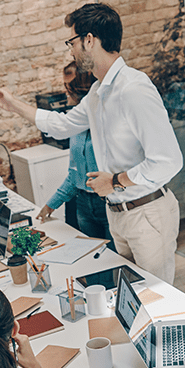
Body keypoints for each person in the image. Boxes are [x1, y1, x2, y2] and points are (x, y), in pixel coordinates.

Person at [0, 3, 183, 284]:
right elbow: (61, 125)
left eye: (72, 42)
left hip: (146, 212)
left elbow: (168, 160)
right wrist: (13, 104)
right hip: (118, 214)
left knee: (158, 299)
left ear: (89, 40)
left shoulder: (134, 88)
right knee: (130, 297)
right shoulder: (96, 92)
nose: (71, 51)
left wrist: (114, 181)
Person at [35, 62, 114, 250]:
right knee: (93, 261)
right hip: (84, 205)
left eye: (71, 87)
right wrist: (50, 205)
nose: (68, 93)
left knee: (116, 261)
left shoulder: (108, 119)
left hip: (109, 202)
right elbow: (74, 174)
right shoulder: (74, 124)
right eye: (66, 86)